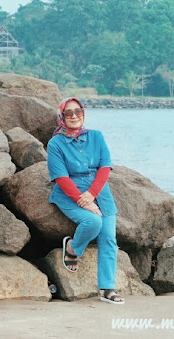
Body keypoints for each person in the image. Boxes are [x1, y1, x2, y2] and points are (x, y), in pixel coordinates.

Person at [46, 97, 124, 304]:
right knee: (93, 221)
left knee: (108, 238)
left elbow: (105, 167)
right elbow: (61, 177)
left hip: (100, 193)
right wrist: (84, 201)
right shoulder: (55, 144)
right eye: (68, 113)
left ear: (83, 113)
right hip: (69, 194)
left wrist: (92, 195)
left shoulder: (96, 137)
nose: (73, 116)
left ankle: (107, 289)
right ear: (61, 117)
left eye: (77, 111)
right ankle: (72, 248)